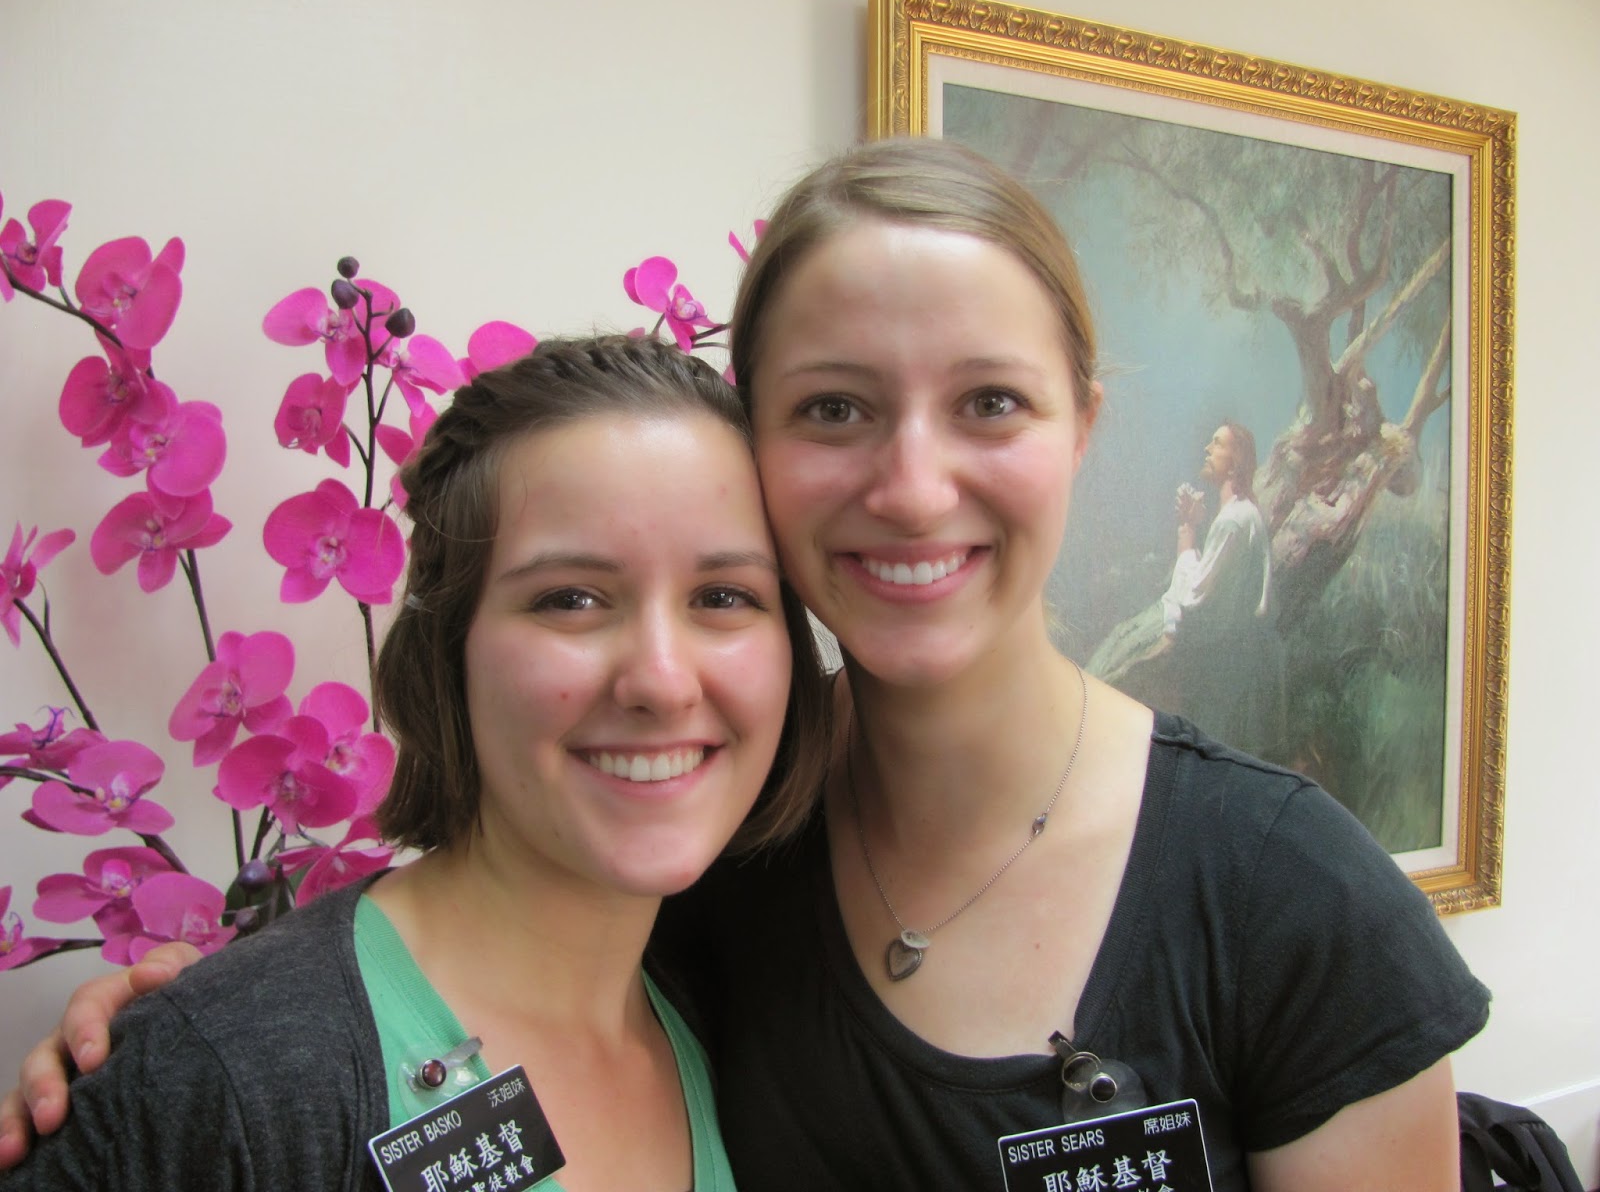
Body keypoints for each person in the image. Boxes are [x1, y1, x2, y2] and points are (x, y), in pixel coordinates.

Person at [1, 139, 1488, 1191]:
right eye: (834, 409)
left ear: (1083, 428)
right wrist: (201, 1055)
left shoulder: (1289, 901)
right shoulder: (708, 865)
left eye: (989, 402)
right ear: (756, 443)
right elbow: (418, 991)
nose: (912, 485)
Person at [0, 334, 830, 1190]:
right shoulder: (230, 1079)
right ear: (448, 649)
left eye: (723, 596)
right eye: (571, 599)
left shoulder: (744, 1012)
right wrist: (181, 1066)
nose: (661, 679)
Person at [1154, 421, 1286, 756]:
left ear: (1236, 460)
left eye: (1217, 443)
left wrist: (1186, 532)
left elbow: (1195, 597)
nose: (1207, 449)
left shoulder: (1233, 522)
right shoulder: (1240, 515)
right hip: (1242, 666)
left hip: (1232, 671)